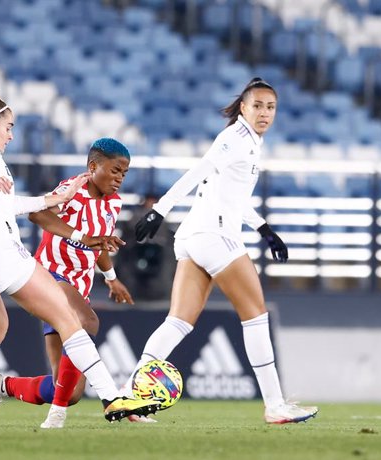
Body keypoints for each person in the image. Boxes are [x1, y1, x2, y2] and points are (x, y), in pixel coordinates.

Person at [0, 81, 159, 427]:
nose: (10, 135)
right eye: (8, 127)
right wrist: (41, 198)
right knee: (69, 319)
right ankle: (112, 398)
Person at [126, 77, 318, 424]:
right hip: (215, 236)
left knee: (179, 321)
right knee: (256, 316)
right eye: (257, 105)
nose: (264, 113)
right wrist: (160, 209)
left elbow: (231, 197)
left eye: (270, 107)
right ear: (243, 107)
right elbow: (198, 171)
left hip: (194, 237)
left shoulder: (249, 143)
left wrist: (263, 228)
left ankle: (130, 396)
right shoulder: (235, 139)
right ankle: (274, 405)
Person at [0, 138, 141, 429]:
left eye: (124, 174)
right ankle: (60, 415)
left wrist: (112, 279)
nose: (119, 179)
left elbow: (100, 245)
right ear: (93, 167)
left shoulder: (113, 204)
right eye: (115, 170)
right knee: (87, 321)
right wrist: (78, 236)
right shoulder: (72, 191)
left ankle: (1, 386)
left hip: (79, 288)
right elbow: (37, 213)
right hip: (49, 277)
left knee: (67, 391)